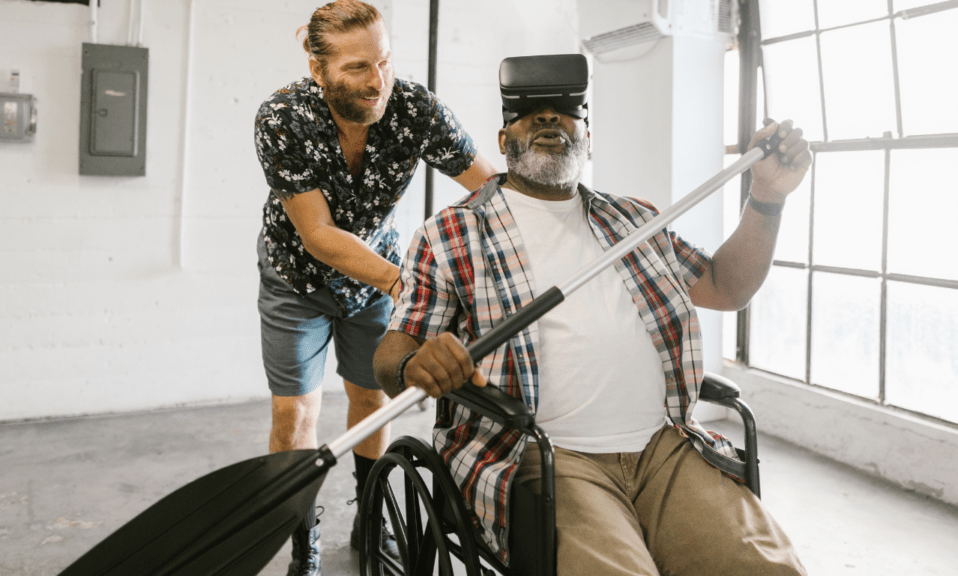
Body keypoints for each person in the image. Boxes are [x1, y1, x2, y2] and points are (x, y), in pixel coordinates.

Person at [373, 54, 812, 575]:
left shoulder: (636, 220)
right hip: (541, 457)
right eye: (528, 111)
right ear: (501, 139)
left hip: (664, 446)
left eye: (564, 109)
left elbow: (726, 286)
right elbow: (392, 352)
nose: (546, 117)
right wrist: (414, 366)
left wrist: (767, 197)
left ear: (587, 137)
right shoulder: (451, 233)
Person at [252, 1, 497, 574]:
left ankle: (369, 518)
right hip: (298, 280)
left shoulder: (413, 108)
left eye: (384, 61)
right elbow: (316, 233)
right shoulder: (281, 118)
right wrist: (409, 281)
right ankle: (302, 542)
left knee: (369, 397)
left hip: (373, 281)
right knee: (296, 417)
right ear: (319, 70)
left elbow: (490, 191)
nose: (377, 81)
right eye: (359, 67)